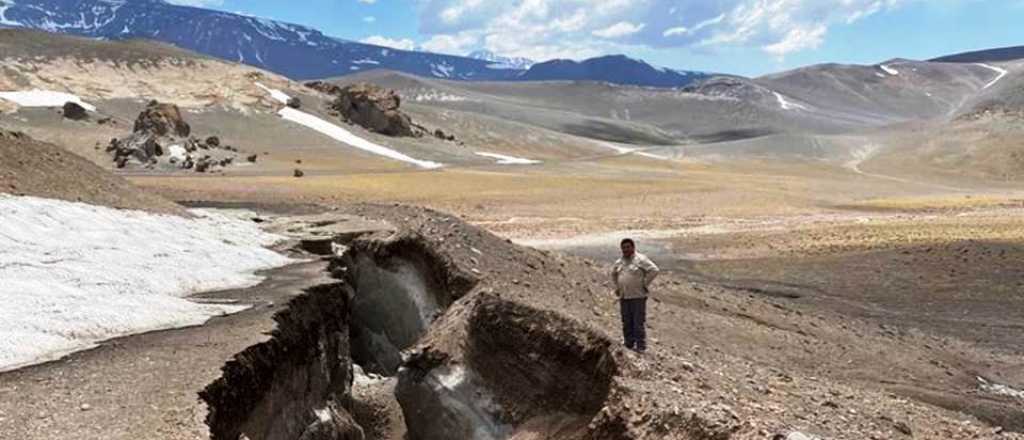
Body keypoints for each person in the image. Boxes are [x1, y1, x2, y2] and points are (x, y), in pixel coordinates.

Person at [611, 238, 659, 353]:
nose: (626, 250)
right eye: (623, 248)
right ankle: (628, 343)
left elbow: (654, 270)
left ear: (633, 247)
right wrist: (618, 287)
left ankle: (641, 346)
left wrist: (644, 283)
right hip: (624, 296)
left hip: (638, 296)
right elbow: (613, 274)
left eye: (628, 247)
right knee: (626, 321)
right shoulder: (619, 262)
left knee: (638, 322)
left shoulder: (641, 259)